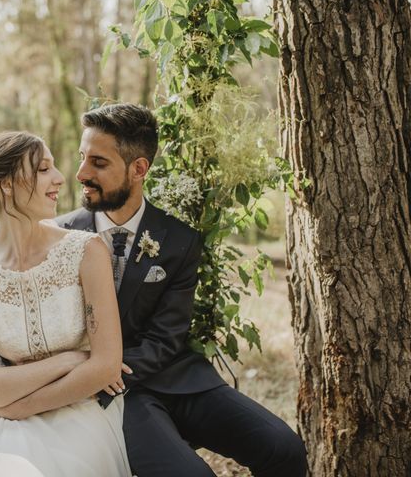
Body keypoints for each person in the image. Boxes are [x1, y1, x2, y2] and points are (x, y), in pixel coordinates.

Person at [56, 103, 308, 477]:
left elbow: (166, 335)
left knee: (284, 448)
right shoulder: (59, 237)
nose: (81, 173)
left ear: (139, 169)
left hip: (179, 378)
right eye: (82, 158)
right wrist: (98, 374)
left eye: (98, 162)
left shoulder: (179, 240)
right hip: (116, 394)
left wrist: (115, 367)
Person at [0, 131, 132, 476]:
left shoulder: (86, 251)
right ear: (5, 185)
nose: (61, 178)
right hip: (2, 423)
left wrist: (23, 407)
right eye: (43, 169)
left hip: (81, 408)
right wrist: (69, 359)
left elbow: (106, 367)